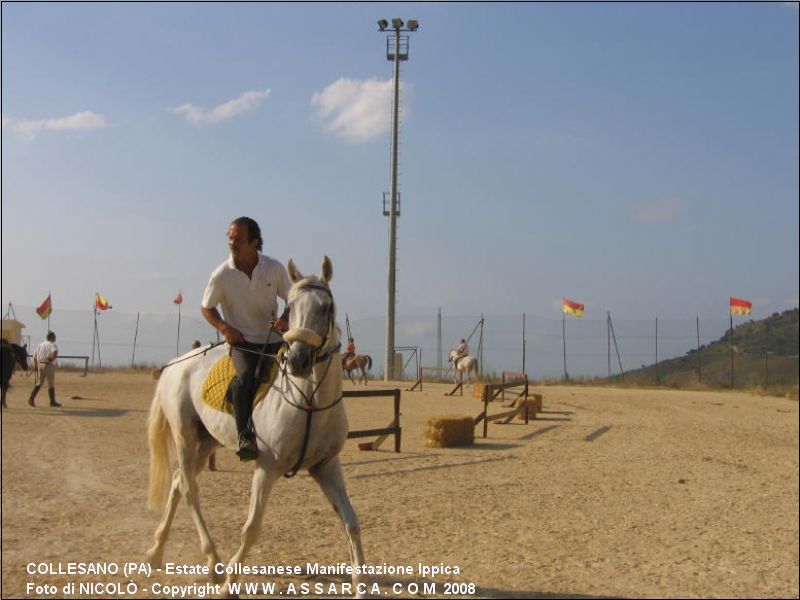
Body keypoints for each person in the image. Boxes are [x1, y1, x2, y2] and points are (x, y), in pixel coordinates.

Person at [201, 217, 291, 461]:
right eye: (230, 237)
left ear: (255, 242)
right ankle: (244, 436)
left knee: (301, 372)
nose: (232, 242)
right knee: (244, 379)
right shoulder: (221, 274)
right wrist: (225, 328)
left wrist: (285, 319)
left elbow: (292, 298)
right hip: (243, 341)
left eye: (238, 238)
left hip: (275, 340)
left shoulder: (274, 268)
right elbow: (206, 307)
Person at [29, 331, 61, 408]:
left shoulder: (41, 345)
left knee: (39, 383)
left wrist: (35, 365)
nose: (55, 338)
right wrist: (52, 358)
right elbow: (55, 352)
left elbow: (35, 355)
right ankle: (52, 402)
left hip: (40, 364)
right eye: (54, 337)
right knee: (51, 384)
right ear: (51, 337)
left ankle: (31, 398)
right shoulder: (53, 344)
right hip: (48, 364)